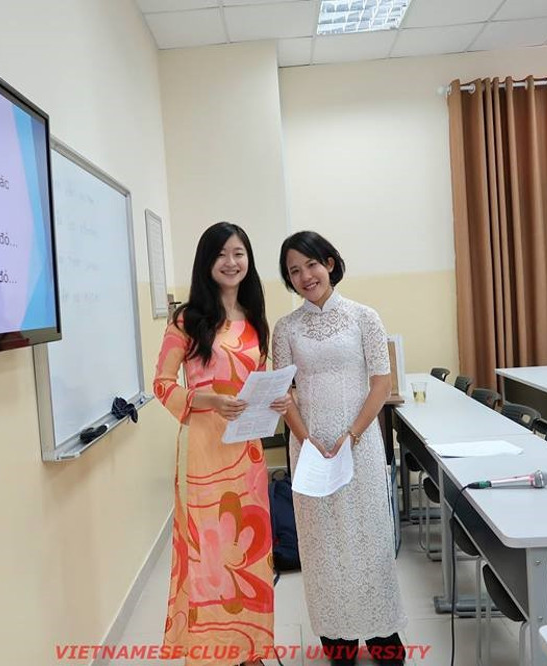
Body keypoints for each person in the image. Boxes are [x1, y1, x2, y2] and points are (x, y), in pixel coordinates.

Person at [153, 222, 288, 666]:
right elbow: (160, 385)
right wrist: (203, 399)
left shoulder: (254, 318)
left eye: (239, 253)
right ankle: (213, 654)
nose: (231, 263)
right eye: (222, 255)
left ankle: (249, 648)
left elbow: (257, 382)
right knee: (209, 553)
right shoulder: (186, 320)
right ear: (207, 263)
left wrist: (276, 398)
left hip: (246, 452)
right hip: (203, 454)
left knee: (249, 551)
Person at [272, 231, 407, 666]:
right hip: (309, 449)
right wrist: (306, 440)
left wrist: (351, 435)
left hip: (360, 443)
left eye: (310, 264)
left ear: (329, 263)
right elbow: (284, 393)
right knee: (322, 544)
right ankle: (338, 639)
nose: (304, 276)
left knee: (368, 538)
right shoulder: (285, 328)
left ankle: (383, 635)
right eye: (294, 271)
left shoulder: (364, 317)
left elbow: (381, 383)